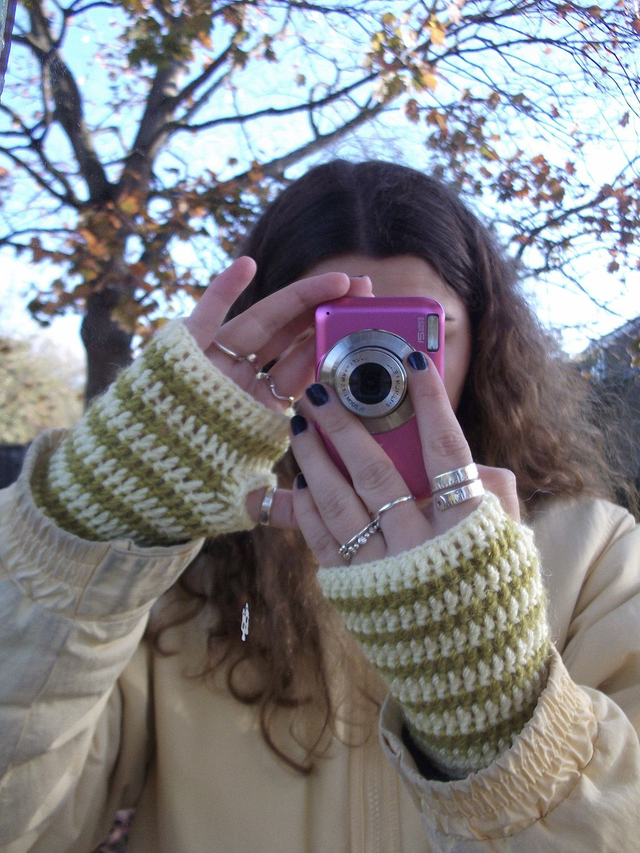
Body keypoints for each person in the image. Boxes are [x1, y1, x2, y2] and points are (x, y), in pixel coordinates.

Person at [0, 160, 638, 853]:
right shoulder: (178, 555)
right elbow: (26, 827)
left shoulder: (594, 549)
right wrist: (84, 548)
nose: (374, 368)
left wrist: (496, 713)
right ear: (268, 337)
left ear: (482, 339)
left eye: (418, 334)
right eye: (332, 334)